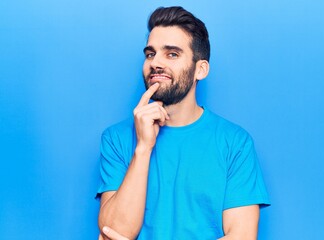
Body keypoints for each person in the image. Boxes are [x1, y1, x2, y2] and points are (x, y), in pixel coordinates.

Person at [96, 6, 270, 240]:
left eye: (172, 54)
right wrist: (143, 148)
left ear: (201, 69)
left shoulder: (235, 143)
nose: (156, 63)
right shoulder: (116, 139)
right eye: (150, 54)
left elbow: (242, 236)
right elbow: (112, 233)